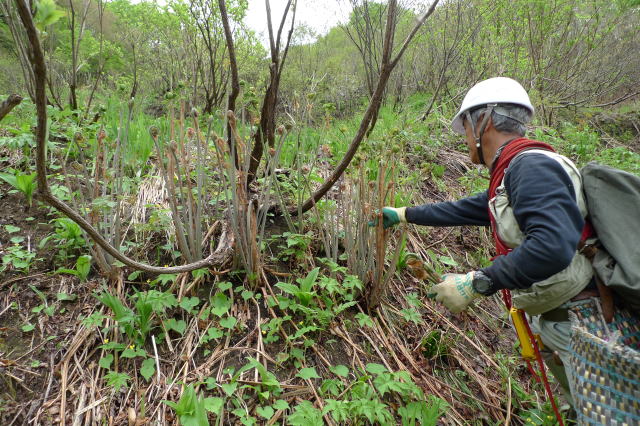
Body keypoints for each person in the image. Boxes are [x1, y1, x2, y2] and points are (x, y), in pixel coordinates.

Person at [375, 77, 598, 406]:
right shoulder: (515, 172)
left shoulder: (530, 167)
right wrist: (404, 213)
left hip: (582, 324)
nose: (465, 138)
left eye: (465, 126)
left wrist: (477, 283)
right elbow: (469, 208)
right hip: (567, 319)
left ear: (485, 121)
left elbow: (552, 245)